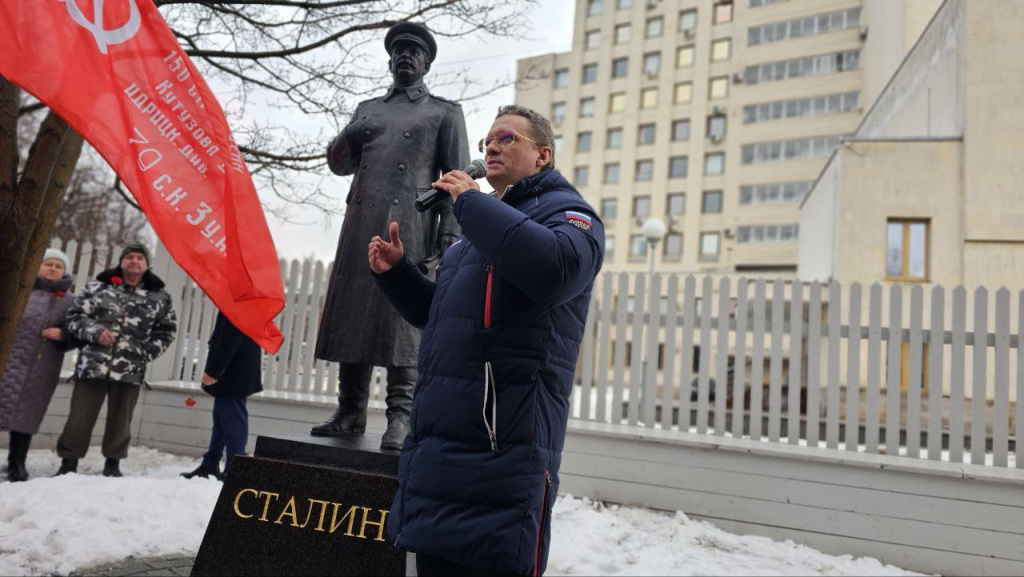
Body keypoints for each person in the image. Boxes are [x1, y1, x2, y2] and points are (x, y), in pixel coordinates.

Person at [369, 105, 604, 576]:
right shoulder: (476, 234)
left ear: (543, 155)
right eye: (487, 141)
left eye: (507, 138)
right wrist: (398, 275)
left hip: (502, 449)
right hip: (440, 447)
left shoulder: (572, 215)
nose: (491, 146)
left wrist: (473, 204)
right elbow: (443, 317)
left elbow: (554, 271)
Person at [312, 21, 470, 451]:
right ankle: (350, 410)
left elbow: (456, 178)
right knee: (354, 315)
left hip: (411, 227)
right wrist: (349, 133)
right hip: (361, 224)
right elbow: (338, 164)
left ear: (426, 63)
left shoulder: (443, 111)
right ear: (390, 59)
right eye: (399, 49)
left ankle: (400, 416)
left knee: (404, 322)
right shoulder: (369, 108)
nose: (405, 55)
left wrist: (449, 237)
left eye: (414, 51)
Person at [55, 243, 177, 478]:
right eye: (129, 257)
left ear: (146, 264)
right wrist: (95, 331)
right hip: (92, 365)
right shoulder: (97, 287)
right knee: (79, 417)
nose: (134, 261)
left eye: (139, 258)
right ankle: (68, 463)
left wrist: (144, 353)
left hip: (130, 369)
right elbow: (75, 316)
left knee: (122, 420)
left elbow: (167, 331)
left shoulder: (159, 296)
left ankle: (113, 463)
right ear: (121, 262)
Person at [0, 249, 77, 482]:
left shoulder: (71, 301)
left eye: (58, 266)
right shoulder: (19, 291)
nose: (53, 269)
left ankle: (17, 462)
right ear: (38, 266)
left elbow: (78, 331)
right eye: (48, 264)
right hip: (9, 360)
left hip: (41, 366)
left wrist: (63, 334)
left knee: (28, 413)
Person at [181, 311, 262, 481]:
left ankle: (234, 469)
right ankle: (210, 463)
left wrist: (214, 370)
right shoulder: (239, 298)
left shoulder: (239, 301)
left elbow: (231, 336)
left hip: (233, 367)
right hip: (234, 365)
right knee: (221, 417)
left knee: (233, 420)